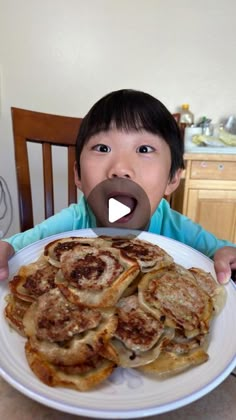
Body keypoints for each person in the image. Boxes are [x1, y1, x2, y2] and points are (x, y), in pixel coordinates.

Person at [0, 89, 235, 283]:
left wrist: (225, 256)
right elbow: (15, 247)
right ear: (78, 175)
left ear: (173, 178)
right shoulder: (73, 221)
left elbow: (223, 254)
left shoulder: (178, 229)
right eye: (102, 148)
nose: (121, 168)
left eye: (144, 149)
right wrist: (6, 249)